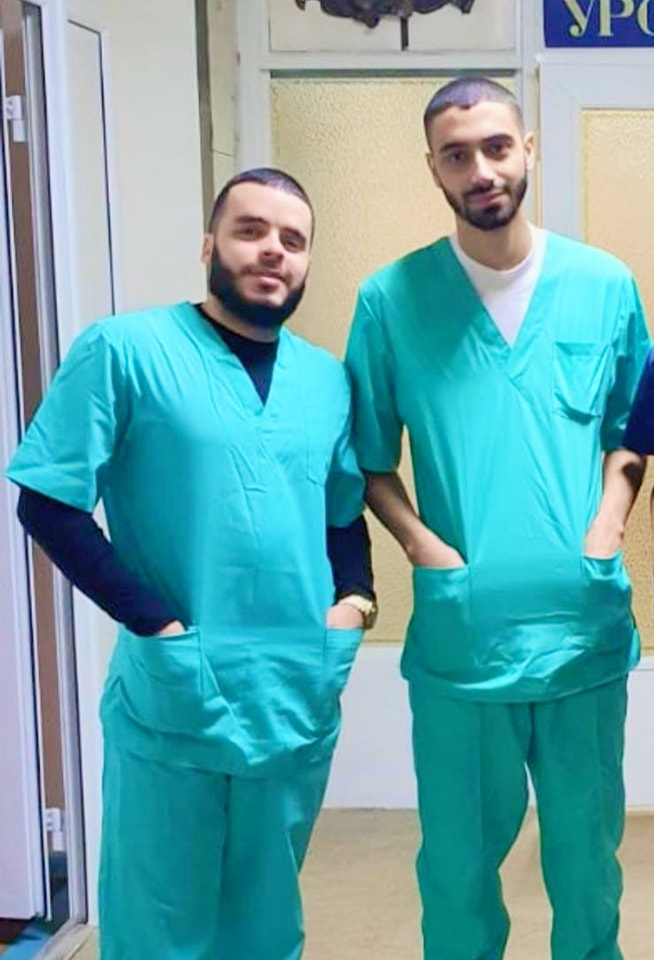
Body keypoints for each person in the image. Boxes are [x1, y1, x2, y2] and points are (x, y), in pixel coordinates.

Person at [7, 167, 377, 960]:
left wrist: (354, 605)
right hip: (178, 693)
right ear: (209, 245)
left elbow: (343, 512)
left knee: (267, 921)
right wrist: (158, 625)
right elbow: (47, 501)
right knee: (159, 924)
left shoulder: (325, 380)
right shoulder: (124, 350)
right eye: (251, 230)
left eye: (293, 239)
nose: (273, 250)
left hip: (294, 690)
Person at [345, 77, 649, 960]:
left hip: (582, 631)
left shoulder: (604, 285)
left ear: (528, 149)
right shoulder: (391, 300)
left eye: (496, 146)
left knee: (587, 865)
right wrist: (422, 545)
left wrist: (608, 525)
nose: (481, 169)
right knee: (458, 869)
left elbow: (632, 431)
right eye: (457, 154)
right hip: (463, 640)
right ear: (433, 168)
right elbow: (368, 458)